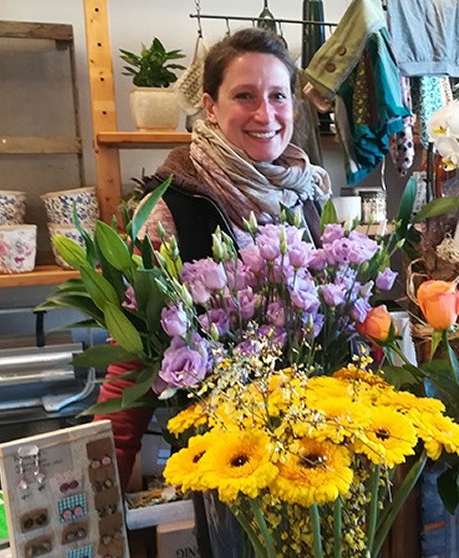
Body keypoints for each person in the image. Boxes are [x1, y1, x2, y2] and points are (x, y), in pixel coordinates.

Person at [93, 27, 331, 488]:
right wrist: (105, 497)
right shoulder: (171, 205)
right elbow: (133, 360)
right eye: (245, 95)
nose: (266, 113)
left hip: (305, 456)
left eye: (278, 96)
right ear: (209, 107)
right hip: (218, 466)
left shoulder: (303, 194)